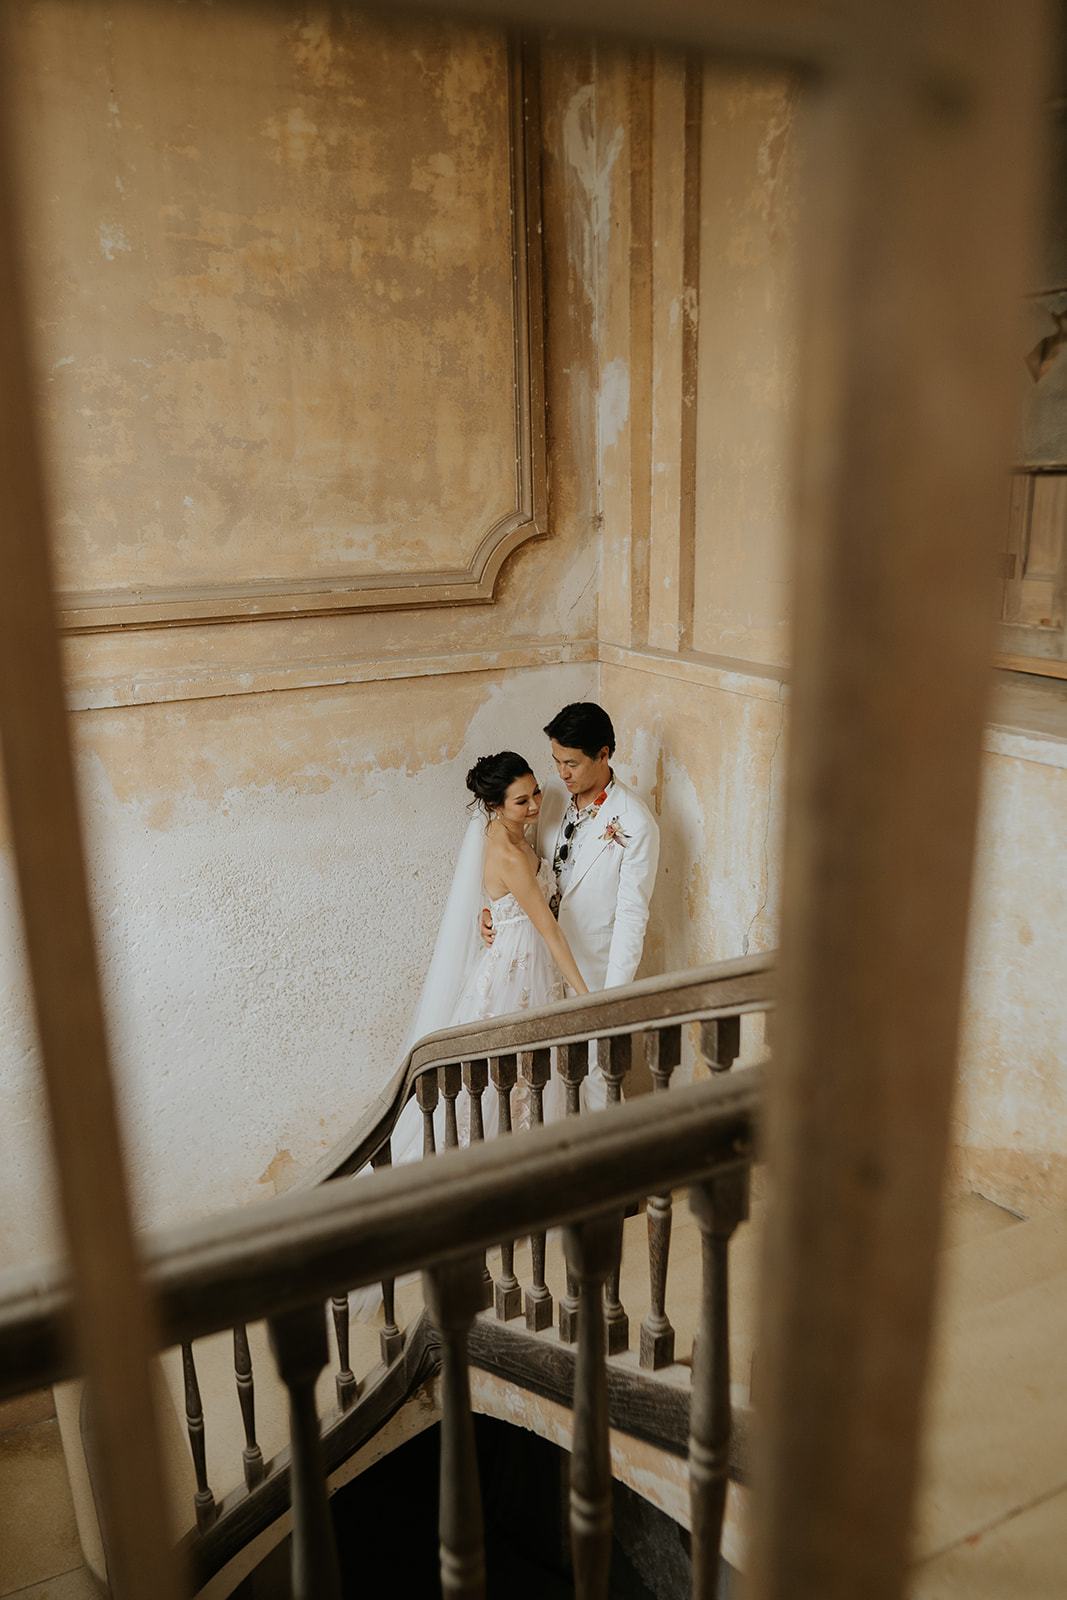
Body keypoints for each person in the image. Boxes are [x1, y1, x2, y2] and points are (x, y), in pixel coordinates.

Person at [483, 702, 659, 1108]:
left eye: (572, 763)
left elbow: (633, 917)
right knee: (537, 1087)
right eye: (557, 761)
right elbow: (520, 864)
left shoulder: (635, 824)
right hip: (537, 970)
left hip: (590, 974)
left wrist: (610, 999)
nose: (562, 773)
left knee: (597, 1086)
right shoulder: (550, 797)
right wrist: (494, 910)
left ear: (603, 754)